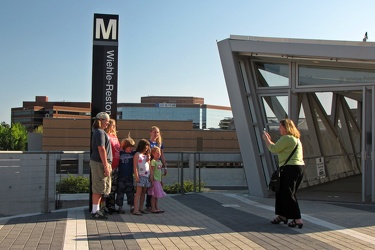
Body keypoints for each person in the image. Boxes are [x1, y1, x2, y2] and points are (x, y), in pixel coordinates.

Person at [262, 118, 305, 229]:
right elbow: (277, 148)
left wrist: (266, 140)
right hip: (298, 168)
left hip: (289, 168)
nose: (278, 129)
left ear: (286, 128)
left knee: (288, 193)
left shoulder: (286, 138)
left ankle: (297, 219)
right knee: (281, 192)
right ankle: (282, 216)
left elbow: (273, 149)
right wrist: (270, 142)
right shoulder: (295, 139)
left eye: (280, 126)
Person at [90, 112, 112, 219]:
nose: (108, 123)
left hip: (101, 162)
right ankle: (95, 211)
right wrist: (106, 165)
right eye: (107, 121)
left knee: (101, 187)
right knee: (98, 187)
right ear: (101, 120)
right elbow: (101, 149)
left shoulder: (100, 132)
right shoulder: (99, 132)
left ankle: (97, 210)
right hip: (99, 163)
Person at [146, 126, 167, 211]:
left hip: (157, 167)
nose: (156, 134)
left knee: (155, 188)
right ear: (150, 132)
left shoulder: (159, 143)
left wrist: (165, 167)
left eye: (157, 132)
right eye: (155, 132)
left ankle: (154, 206)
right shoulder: (148, 142)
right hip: (149, 166)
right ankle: (149, 205)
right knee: (150, 186)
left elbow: (162, 155)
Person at [103, 119, 121, 213]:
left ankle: (112, 206)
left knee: (114, 187)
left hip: (116, 165)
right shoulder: (106, 136)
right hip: (110, 164)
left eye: (114, 125)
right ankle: (105, 206)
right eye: (112, 125)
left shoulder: (115, 136)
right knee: (107, 187)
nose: (114, 127)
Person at [116, 134, 136, 214]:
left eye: (132, 147)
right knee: (120, 191)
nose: (131, 148)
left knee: (130, 192)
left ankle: (132, 205)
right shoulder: (120, 153)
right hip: (121, 176)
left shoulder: (133, 154)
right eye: (130, 147)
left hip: (129, 176)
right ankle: (120, 206)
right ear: (125, 146)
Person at [132, 139, 151, 215]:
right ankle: (135, 209)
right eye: (146, 146)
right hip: (140, 175)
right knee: (138, 193)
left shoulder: (146, 156)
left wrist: (151, 175)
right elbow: (135, 166)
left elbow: (149, 166)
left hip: (146, 176)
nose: (147, 148)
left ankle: (141, 208)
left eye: (148, 146)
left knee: (144, 193)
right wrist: (136, 176)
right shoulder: (137, 154)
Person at [148, 146, 166, 213]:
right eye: (157, 153)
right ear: (153, 153)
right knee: (154, 195)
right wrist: (152, 179)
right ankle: (153, 208)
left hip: (158, 180)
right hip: (155, 180)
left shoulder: (160, 162)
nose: (159, 154)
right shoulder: (153, 161)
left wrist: (161, 180)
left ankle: (156, 207)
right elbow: (152, 170)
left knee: (157, 195)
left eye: (159, 153)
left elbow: (160, 172)